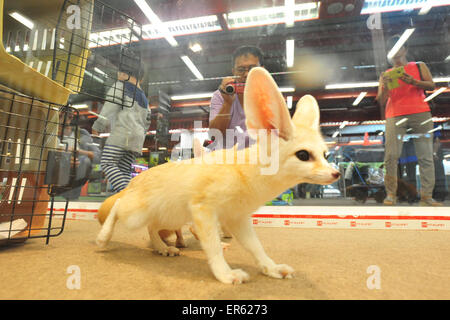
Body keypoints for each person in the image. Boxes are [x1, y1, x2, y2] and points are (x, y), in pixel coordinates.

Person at [376, 35, 441, 206]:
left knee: (425, 155)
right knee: (391, 156)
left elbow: (431, 85)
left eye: (398, 48)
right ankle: (391, 194)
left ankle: (427, 196)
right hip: (394, 113)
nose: (396, 53)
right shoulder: (386, 74)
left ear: (405, 49)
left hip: (420, 111)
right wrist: (386, 87)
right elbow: (381, 101)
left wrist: (413, 81)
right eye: (392, 50)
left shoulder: (419, 66)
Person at [92, 64, 151, 193]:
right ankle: (126, 200)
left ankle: (127, 196)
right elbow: (147, 122)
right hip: (137, 139)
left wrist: (98, 126)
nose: (118, 77)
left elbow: (109, 107)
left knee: (107, 162)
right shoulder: (144, 99)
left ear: (125, 74)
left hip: (123, 134)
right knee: (123, 169)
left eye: (119, 74)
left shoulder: (120, 86)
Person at [209, 46, 264, 149]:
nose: (247, 74)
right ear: (233, 71)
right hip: (227, 159)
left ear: (262, 70)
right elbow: (213, 136)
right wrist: (227, 103)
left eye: (252, 69)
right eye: (241, 69)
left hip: (257, 158)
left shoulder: (269, 95)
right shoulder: (220, 96)